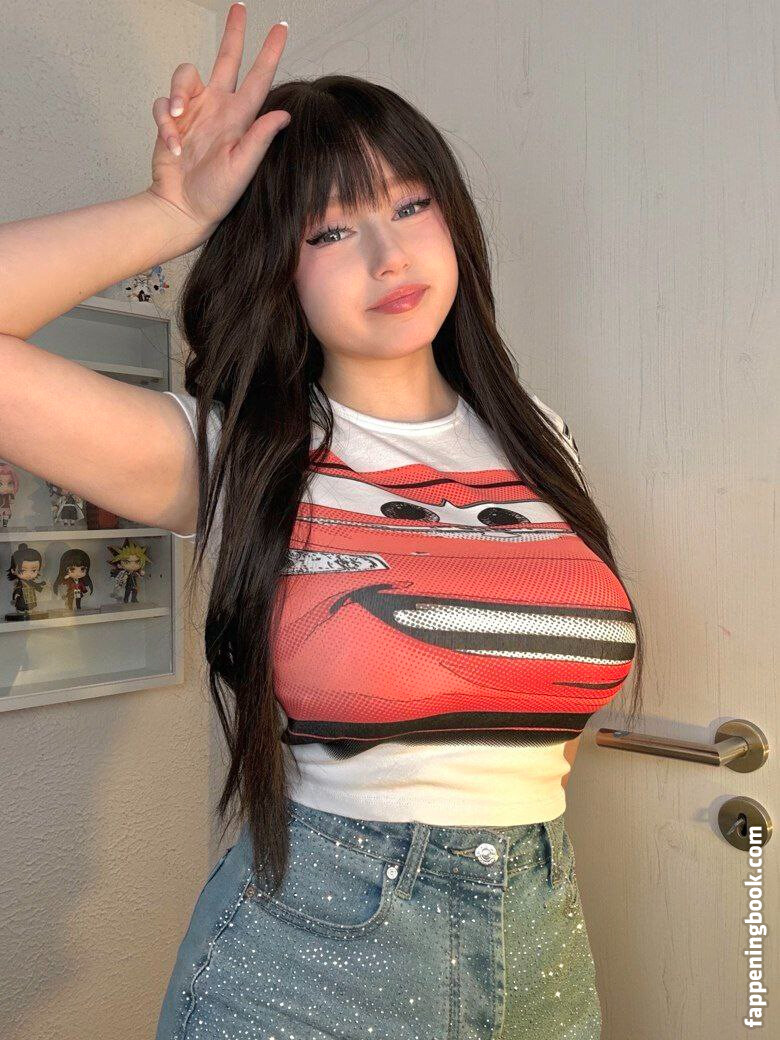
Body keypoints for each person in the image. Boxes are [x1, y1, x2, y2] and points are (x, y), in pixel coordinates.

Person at [0, 6, 646, 1037]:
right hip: (308, 966)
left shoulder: (541, 438)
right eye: (332, 230)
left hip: (544, 945)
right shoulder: (240, 452)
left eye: (411, 203)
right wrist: (169, 212)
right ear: (277, 263)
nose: (388, 253)